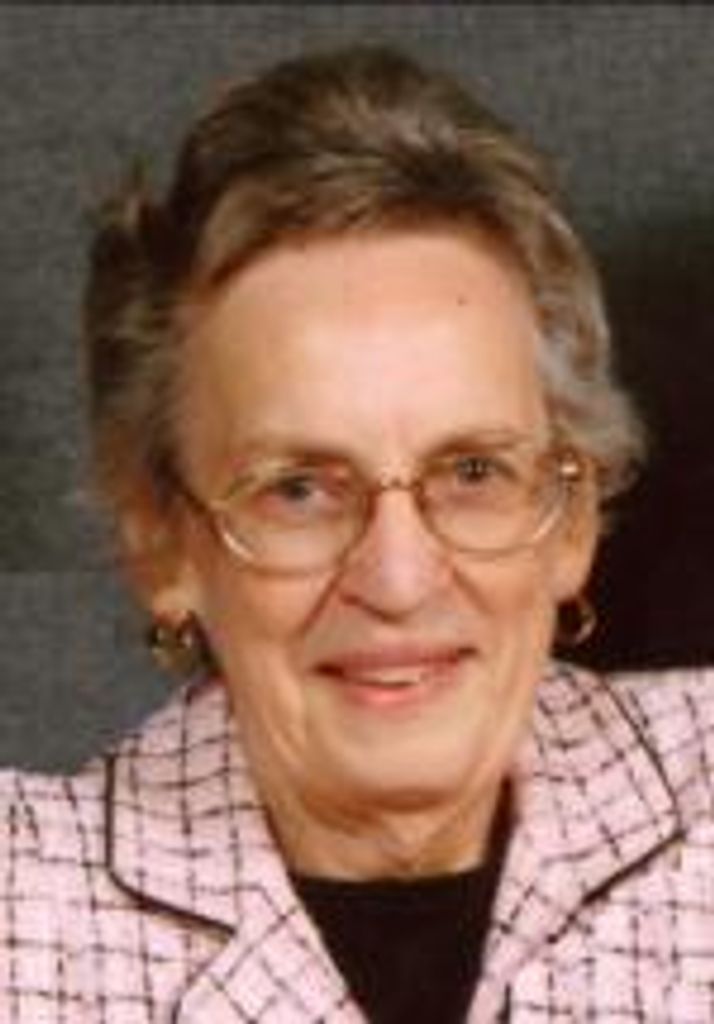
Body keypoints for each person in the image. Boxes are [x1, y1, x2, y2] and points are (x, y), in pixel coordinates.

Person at [3, 43, 714, 1024]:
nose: (400, 577)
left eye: (472, 473)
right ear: (161, 543)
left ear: (572, 519)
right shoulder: (24, 909)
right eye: (298, 489)